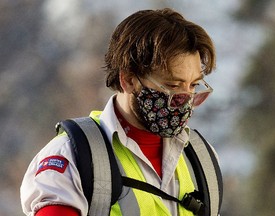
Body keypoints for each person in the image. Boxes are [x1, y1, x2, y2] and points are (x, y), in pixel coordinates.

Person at [20, 8, 222, 216]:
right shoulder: (72, 158)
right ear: (128, 80)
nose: (185, 99)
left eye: (194, 86)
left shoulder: (202, 160)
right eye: (172, 85)